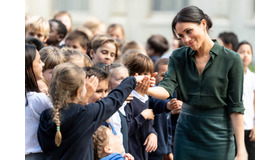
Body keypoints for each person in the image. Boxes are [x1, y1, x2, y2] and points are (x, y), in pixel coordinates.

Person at [147, 5, 247, 160]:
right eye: (181, 36)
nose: (185, 39)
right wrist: (145, 88)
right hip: (185, 133)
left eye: (189, 31)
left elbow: (236, 108)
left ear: (203, 24)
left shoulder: (232, 59)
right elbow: (166, 89)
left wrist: (241, 150)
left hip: (220, 135)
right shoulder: (178, 57)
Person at [37, 62, 148, 160]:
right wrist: (132, 80)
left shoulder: (45, 117)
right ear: (79, 91)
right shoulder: (85, 114)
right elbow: (113, 100)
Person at [25, 44, 53, 160]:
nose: (43, 64)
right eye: (39, 61)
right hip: (35, 155)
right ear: (28, 67)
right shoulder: (37, 99)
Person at [237, 41, 255, 160]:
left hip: (250, 126)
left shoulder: (254, 77)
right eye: (242, 52)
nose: (245, 55)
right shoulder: (232, 76)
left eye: (248, 52)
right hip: (235, 127)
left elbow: (256, 102)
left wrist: (256, 125)